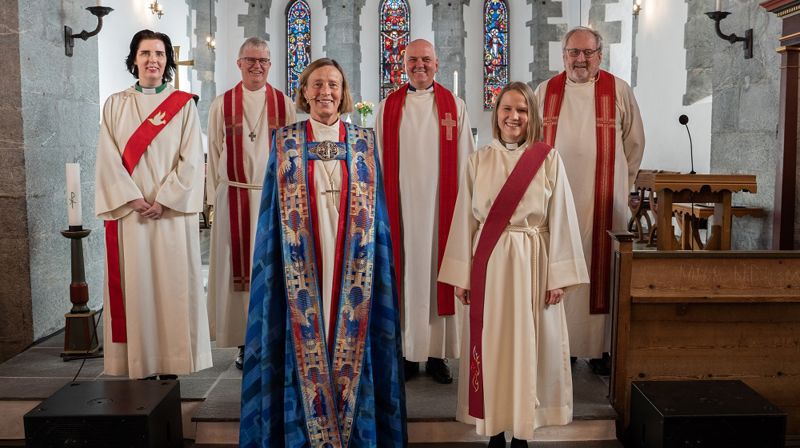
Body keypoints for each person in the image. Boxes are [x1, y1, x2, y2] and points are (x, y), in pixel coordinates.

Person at [239, 58, 406, 447]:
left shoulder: (364, 144)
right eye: (316, 84)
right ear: (305, 91)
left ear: (343, 92)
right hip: (302, 266)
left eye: (332, 84)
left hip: (354, 269)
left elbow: (378, 218)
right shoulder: (286, 142)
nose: (325, 92)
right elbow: (270, 220)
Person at [439, 82, 588, 447]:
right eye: (507, 109)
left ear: (532, 116)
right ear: (496, 114)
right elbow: (464, 221)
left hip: (533, 263)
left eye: (522, 110)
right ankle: (493, 428)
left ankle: (522, 429)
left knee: (528, 346)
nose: (514, 117)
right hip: (488, 264)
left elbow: (562, 219)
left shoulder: (548, 159)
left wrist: (559, 277)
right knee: (492, 345)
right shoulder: (479, 160)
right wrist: (462, 276)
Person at [95, 29, 212, 380]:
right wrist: (132, 198)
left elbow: (192, 159)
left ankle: (171, 362)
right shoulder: (116, 104)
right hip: (131, 214)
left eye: (159, 54)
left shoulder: (184, 105)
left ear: (167, 60)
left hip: (170, 216)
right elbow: (107, 157)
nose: (153, 60)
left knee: (172, 287)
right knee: (138, 286)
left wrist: (164, 200)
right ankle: (139, 360)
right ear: (134, 60)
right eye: (145, 53)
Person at [534, 26, 645, 369]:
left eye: (588, 53)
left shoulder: (619, 90)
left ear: (600, 55)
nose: (580, 59)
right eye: (574, 52)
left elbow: (634, 142)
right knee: (559, 266)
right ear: (563, 55)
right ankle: (561, 347)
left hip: (603, 199)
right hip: (555, 199)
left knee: (604, 267)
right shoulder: (545, 91)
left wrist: (620, 186)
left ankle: (602, 348)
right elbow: (531, 142)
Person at [375, 38, 475, 384]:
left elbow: (467, 163)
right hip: (400, 208)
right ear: (402, 65)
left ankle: (436, 356)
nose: (420, 66)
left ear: (437, 64)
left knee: (438, 278)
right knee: (405, 280)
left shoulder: (454, 106)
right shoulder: (387, 108)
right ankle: (406, 354)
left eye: (426, 60)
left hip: (441, 211)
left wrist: (465, 209)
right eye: (413, 60)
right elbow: (376, 162)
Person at [206, 37, 296, 370]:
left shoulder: (284, 104)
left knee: (275, 271)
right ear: (239, 63)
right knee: (237, 274)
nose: (257, 66)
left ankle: (274, 337)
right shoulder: (221, 104)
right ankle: (244, 342)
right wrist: (214, 199)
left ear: (270, 65)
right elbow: (215, 153)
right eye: (251, 60)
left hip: (274, 199)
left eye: (263, 61)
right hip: (235, 197)